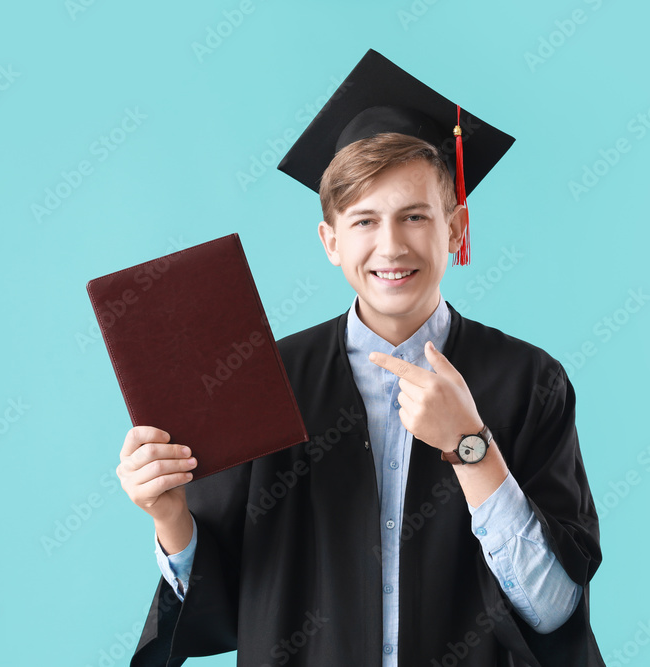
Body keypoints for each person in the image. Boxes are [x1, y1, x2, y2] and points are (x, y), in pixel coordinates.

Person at [118, 50, 605, 666]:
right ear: (330, 241)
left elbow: (554, 609)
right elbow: (225, 604)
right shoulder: (265, 379)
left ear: (455, 230)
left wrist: (469, 445)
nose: (391, 245)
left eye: (415, 216)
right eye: (364, 221)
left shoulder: (529, 381)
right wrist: (168, 515)